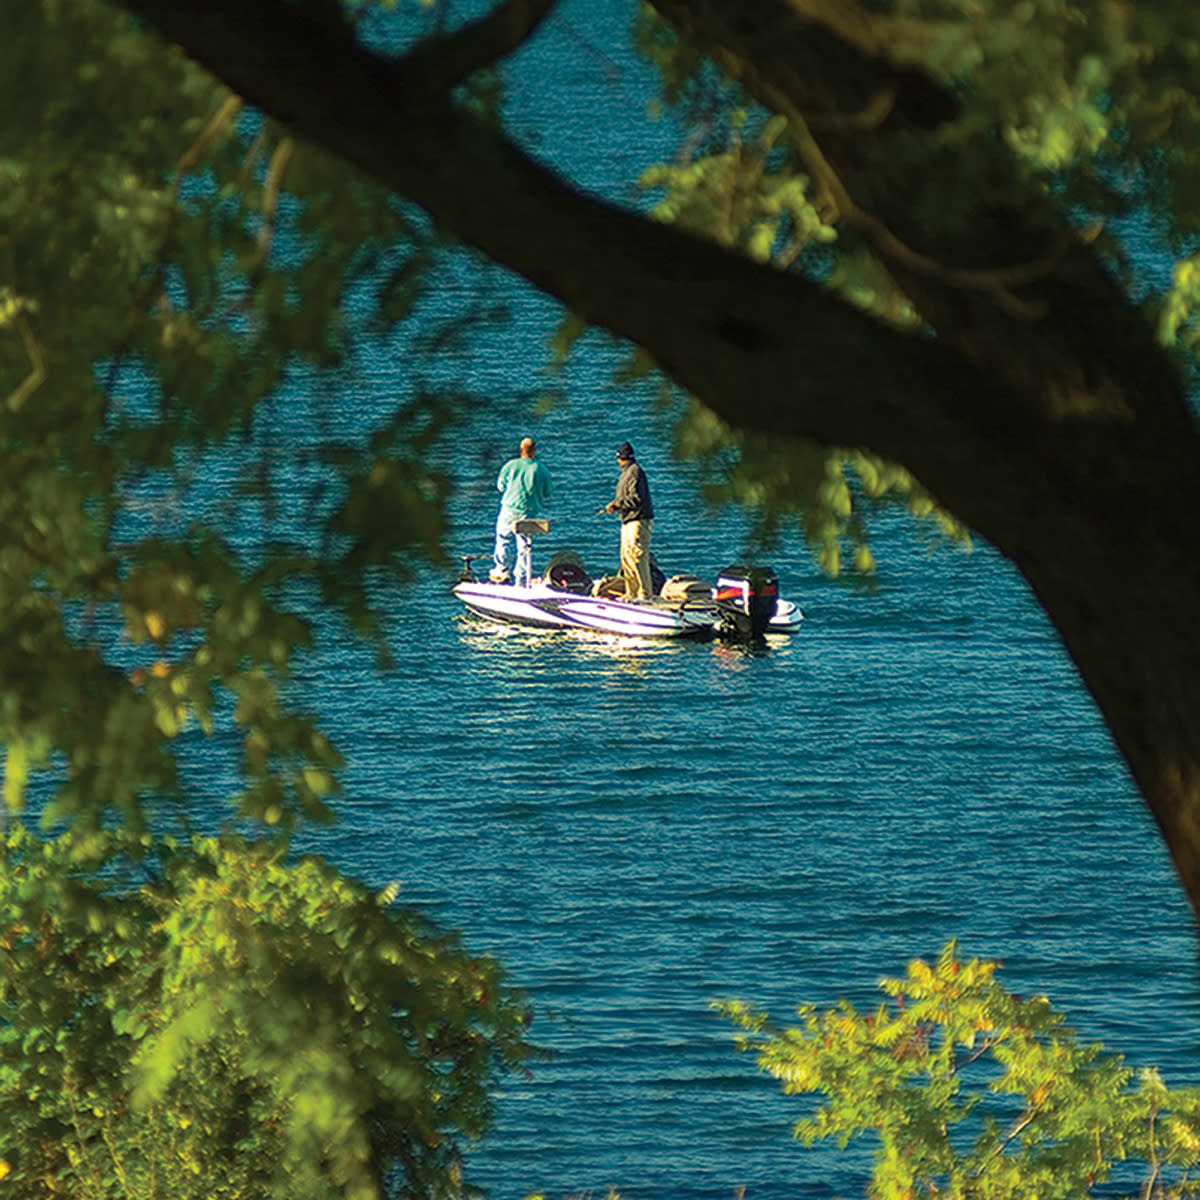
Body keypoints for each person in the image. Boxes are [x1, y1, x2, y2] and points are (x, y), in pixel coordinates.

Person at [491, 436, 552, 585]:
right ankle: (522, 576)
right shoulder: (541, 468)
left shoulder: (510, 465)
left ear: (520, 450)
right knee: (524, 544)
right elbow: (548, 491)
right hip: (529, 510)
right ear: (535, 451)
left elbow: (500, 486)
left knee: (503, 538)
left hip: (509, 507)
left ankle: (501, 569)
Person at [605, 441, 655, 601]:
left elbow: (636, 498)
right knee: (626, 556)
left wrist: (616, 504)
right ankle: (631, 592)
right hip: (627, 520)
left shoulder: (634, 472)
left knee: (637, 556)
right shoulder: (628, 472)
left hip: (638, 520)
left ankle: (644, 593)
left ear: (621, 458)